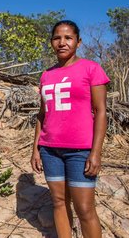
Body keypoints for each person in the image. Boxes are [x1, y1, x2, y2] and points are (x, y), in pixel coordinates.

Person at [31, 20, 109, 238]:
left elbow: (101, 111)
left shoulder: (91, 69)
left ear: (78, 42)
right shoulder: (46, 75)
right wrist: (36, 148)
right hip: (50, 150)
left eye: (68, 38)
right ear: (51, 42)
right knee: (58, 203)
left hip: (80, 150)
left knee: (85, 209)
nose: (62, 42)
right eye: (57, 38)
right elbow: (42, 114)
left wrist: (96, 152)